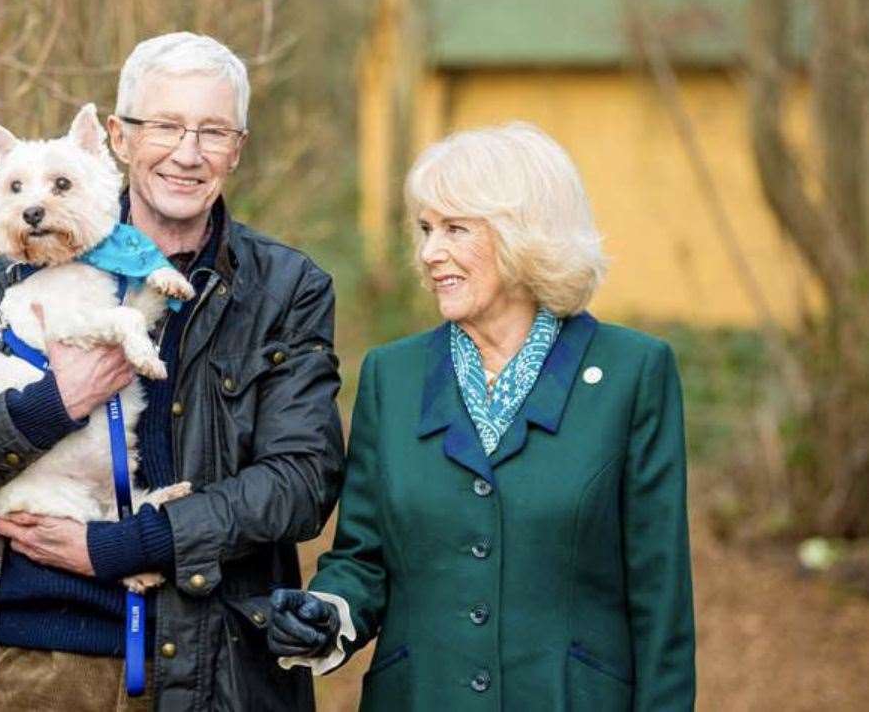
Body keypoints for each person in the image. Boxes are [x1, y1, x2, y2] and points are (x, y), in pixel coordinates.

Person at [0, 32, 343, 711]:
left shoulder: (285, 288)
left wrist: (120, 545)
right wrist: (54, 403)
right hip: (39, 664)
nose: (187, 153)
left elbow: (301, 482)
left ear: (237, 149)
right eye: (165, 125)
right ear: (118, 138)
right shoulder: (22, 273)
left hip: (215, 671)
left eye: (213, 131)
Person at [269, 123, 696, 710]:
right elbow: (363, 557)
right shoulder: (393, 377)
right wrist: (328, 613)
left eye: (455, 229)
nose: (429, 252)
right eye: (425, 229)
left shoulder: (632, 373)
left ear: (526, 234)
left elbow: (661, 593)